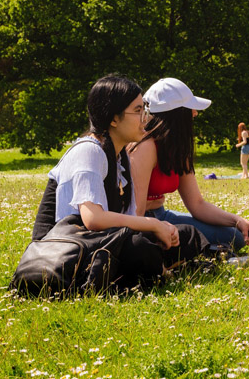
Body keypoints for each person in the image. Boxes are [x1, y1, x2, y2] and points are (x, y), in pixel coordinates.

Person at [30, 74, 209, 283]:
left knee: (186, 235)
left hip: (101, 241)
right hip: (63, 251)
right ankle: (162, 269)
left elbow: (126, 220)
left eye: (145, 109)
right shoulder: (89, 151)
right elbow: (93, 219)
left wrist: (160, 229)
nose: (145, 118)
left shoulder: (120, 156)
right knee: (140, 250)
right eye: (137, 111)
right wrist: (152, 224)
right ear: (114, 119)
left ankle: (166, 268)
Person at [128, 77, 249, 251]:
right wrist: (160, 229)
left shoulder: (177, 148)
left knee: (236, 236)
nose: (195, 113)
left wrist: (237, 220)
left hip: (163, 214)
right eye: (190, 108)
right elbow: (135, 213)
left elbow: (197, 204)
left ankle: (201, 248)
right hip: (145, 221)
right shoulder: (145, 146)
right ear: (175, 114)